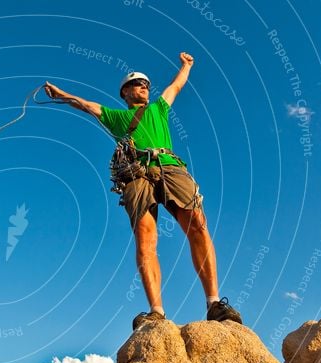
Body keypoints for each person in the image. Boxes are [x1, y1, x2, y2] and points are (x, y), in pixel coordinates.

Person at [43, 52, 242, 328]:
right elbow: (86, 105)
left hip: (170, 166)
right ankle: (157, 312)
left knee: (197, 224)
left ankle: (214, 303)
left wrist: (186, 66)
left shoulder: (159, 109)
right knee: (146, 239)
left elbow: (176, 86)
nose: (144, 87)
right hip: (136, 175)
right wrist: (61, 94)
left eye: (146, 84)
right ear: (125, 92)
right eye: (137, 84)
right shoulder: (115, 117)